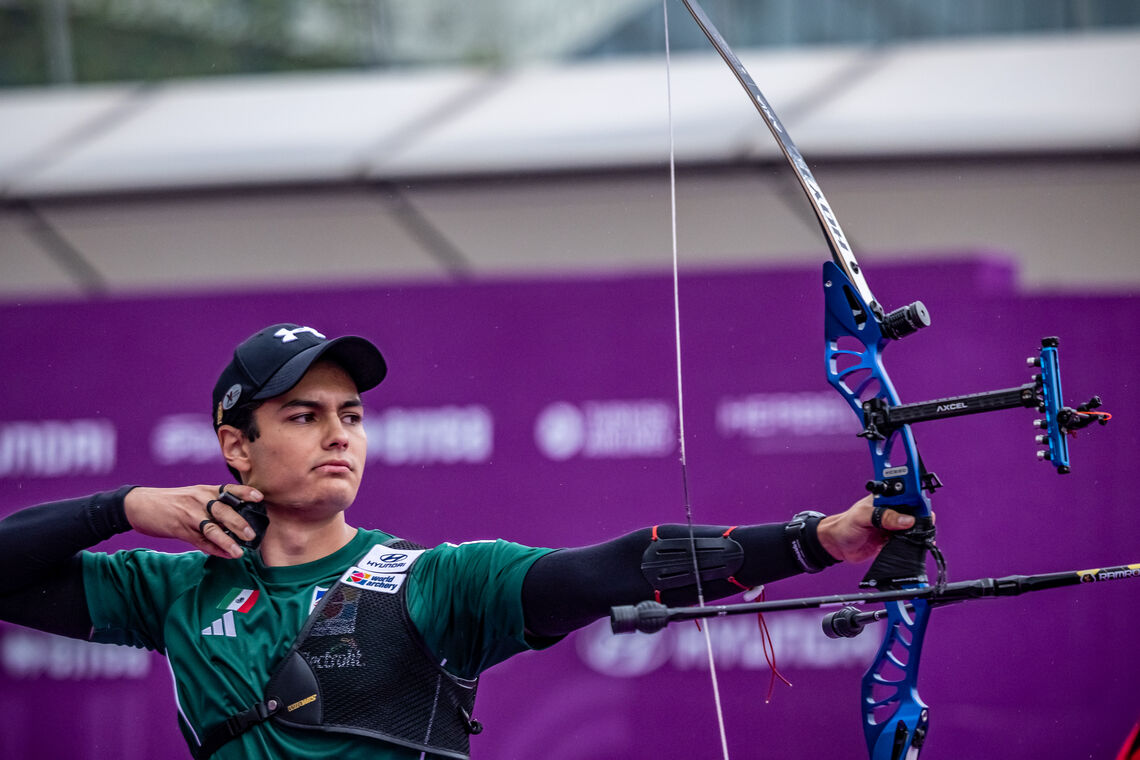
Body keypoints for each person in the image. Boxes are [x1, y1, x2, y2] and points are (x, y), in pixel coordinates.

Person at [0, 323, 916, 759]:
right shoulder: (173, 592)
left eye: (351, 415)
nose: (339, 436)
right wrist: (123, 506)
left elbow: (608, 571)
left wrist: (816, 540)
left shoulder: (431, 581)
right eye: (303, 415)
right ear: (237, 445)